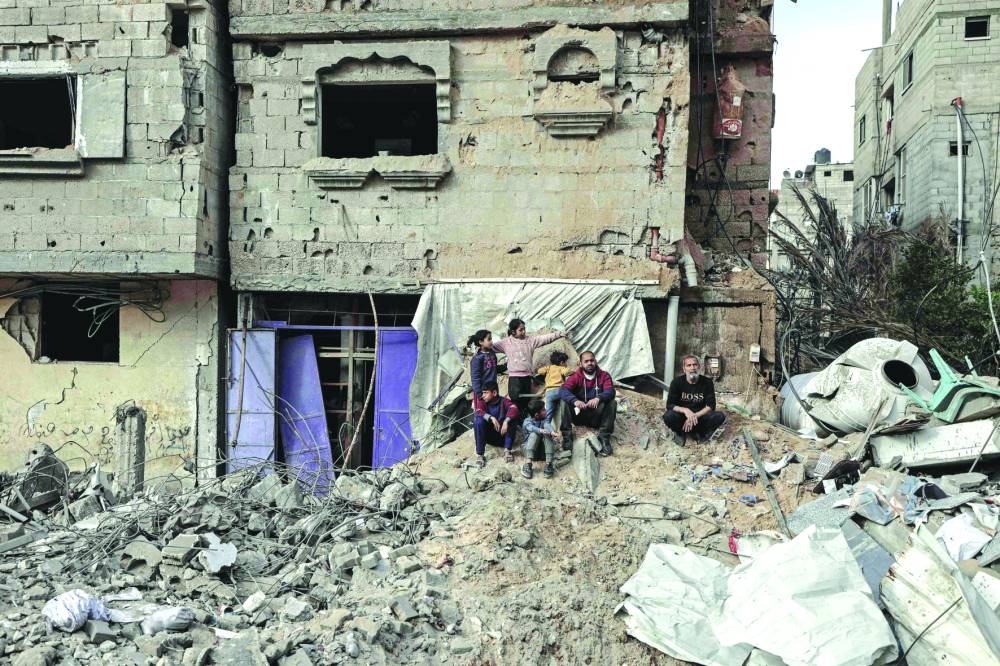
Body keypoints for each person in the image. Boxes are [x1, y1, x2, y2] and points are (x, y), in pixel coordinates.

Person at [493, 318, 566, 415]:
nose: (523, 331)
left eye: (524, 329)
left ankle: (524, 420)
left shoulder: (530, 340)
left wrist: (558, 334)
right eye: (520, 330)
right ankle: (515, 418)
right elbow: (491, 347)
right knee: (515, 398)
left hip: (527, 377)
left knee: (526, 400)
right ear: (513, 332)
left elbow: (544, 339)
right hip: (514, 378)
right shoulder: (506, 343)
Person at [558, 351, 617, 456]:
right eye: (586, 361)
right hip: (579, 416)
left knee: (612, 402)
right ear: (580, 364)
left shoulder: (604, 375)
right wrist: (574, 400)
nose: (590, 363)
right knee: (564, 401)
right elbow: (563, 390)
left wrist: (599, 398)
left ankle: (604, 437)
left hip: (596, 416)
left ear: (596, 361)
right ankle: (567, 437)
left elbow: (610, 391)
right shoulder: (576, 376)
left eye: (592, 360)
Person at [663, 354, 726, 444]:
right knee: (668, 415)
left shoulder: (707, 383)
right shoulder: (676, 382)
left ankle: (701, 433)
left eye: (695, 365)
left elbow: (711, 406)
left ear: (699, 367)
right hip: (682, 418)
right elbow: (670, 405)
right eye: (689, 365)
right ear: (684, 369)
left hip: (700, 418)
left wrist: (694, 416)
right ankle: (680, 433)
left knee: (719, 416)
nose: (692, 368)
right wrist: (685, 410)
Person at [473, 381, 519, 467]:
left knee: (513, 418)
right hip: (488, 437)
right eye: (483, 393)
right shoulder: (482, 402)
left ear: (494, 393)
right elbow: (478, 411)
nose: (483, 395)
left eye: (486, 393)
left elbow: (514, 408)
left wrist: (506, 421)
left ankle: (507, 450)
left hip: (503, 437)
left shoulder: (504, 401)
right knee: (478, 421)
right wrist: (491, 417)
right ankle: (480, 455)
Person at [535, 351, 572, 448]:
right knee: (564, 408)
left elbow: (539, 371)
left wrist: (547, 368)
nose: (566, 364)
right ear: (561, 362)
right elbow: (567, 372)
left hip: (549, 393)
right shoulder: (561, 368)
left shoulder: (549, 368)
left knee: (547, 420)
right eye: (565, 362)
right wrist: (572, 370)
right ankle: (564, 431)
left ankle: (553, 433)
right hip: (560, 391)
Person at [520, 399, 560, 479]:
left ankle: (548, 464)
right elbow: (530, 427)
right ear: (536, 415)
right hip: (528, 451)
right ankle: (528, 464)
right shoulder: (527, 421)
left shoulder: (544, 421)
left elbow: (547, 425)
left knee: (546, 434)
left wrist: (552, 432)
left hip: (542, 453)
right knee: (535, 433)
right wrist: (540, 430)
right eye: (543, 410)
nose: (546, 411)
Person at [467, 329, 498, 416]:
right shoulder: (477, 359)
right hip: (483, 393)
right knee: (483, 415)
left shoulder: (492, 354)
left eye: (491, 339)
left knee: (494, 413)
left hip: (493, 389)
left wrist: (507, 365)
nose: (491, 341)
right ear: (481, 342)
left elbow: (494, 368)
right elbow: (475, 379)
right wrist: (481, 395)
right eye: (489, 339)